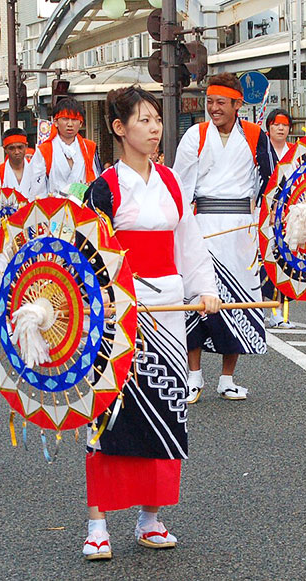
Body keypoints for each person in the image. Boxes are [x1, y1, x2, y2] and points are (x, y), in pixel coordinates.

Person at [83, 86, 220, 560]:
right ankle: (97, 522)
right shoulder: (102, 189)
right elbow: (87, 257)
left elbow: (191, 239)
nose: (154, 127)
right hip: (117, 314)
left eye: (157, 118)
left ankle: (151, 516)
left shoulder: (171, 181)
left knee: (164, 410)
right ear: (119, 129)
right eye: (143, 119)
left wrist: (205, 289)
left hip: (168, 309)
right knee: (109, 412)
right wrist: (109, 304)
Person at [174, 73, 272, 402]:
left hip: (242, 230)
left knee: (239, 304)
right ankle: (193, 376)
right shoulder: (195, 135)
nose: (213, 108)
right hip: (201, 227)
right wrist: (179, 227)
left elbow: (272, 181)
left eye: (220, 103)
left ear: (237, 104)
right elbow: (180, 187)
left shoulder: (257, 136)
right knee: (196, 301)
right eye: (210, 102)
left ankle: (227, 378)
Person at [262, 108, 296, 330]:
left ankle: (283, 311)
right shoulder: (262, 151)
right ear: (269, 127)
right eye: (276, 124)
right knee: (266, 260)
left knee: (286, 260)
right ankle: (269, 308)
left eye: (284, 124)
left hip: (289, 214)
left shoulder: (295, 152)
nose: (281, 128)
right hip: (265, 213)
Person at [28, 97, 102, 197]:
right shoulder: (45, 150)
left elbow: (96, 182)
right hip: (53, 208)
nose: (70, 124)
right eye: (65, 119)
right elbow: (37, 190)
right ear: (55, 122)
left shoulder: (89, 148)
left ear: (81, 123)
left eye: (75, 119)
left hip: (82, 208)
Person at [0, 127, 31, 199]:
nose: (17, 152)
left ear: (26, 146)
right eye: (12, 148)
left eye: (20, 147)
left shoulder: (36, 171)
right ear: (5, 149)